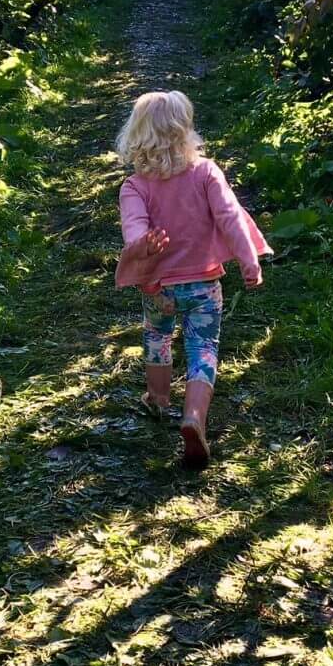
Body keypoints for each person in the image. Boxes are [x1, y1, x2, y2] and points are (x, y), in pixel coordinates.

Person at [114, 91, 271, 470]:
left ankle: (158, 399)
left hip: (158, 286)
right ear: (186, 131)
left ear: (137, 135)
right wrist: (249, 260)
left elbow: (133, 229)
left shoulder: (134, 186)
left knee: (157, 337)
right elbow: (230, 217)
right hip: (203, 284)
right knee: (203, 347)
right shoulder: (206, 172)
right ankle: (194, 417)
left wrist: (143, 244)